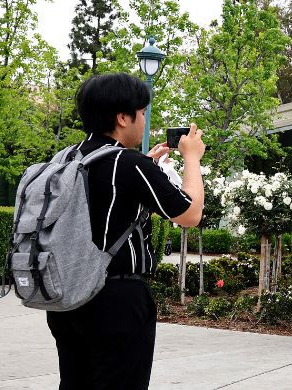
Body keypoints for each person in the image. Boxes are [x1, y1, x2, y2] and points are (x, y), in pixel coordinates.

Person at [46, 73, 206, 389]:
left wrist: (147, 165)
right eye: (143, 112)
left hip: (66, 297)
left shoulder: (65, 158)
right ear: (123, 117)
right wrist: (191, 158)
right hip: (116, 301)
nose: (144, 120)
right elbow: (190, 213)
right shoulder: (129, 164)